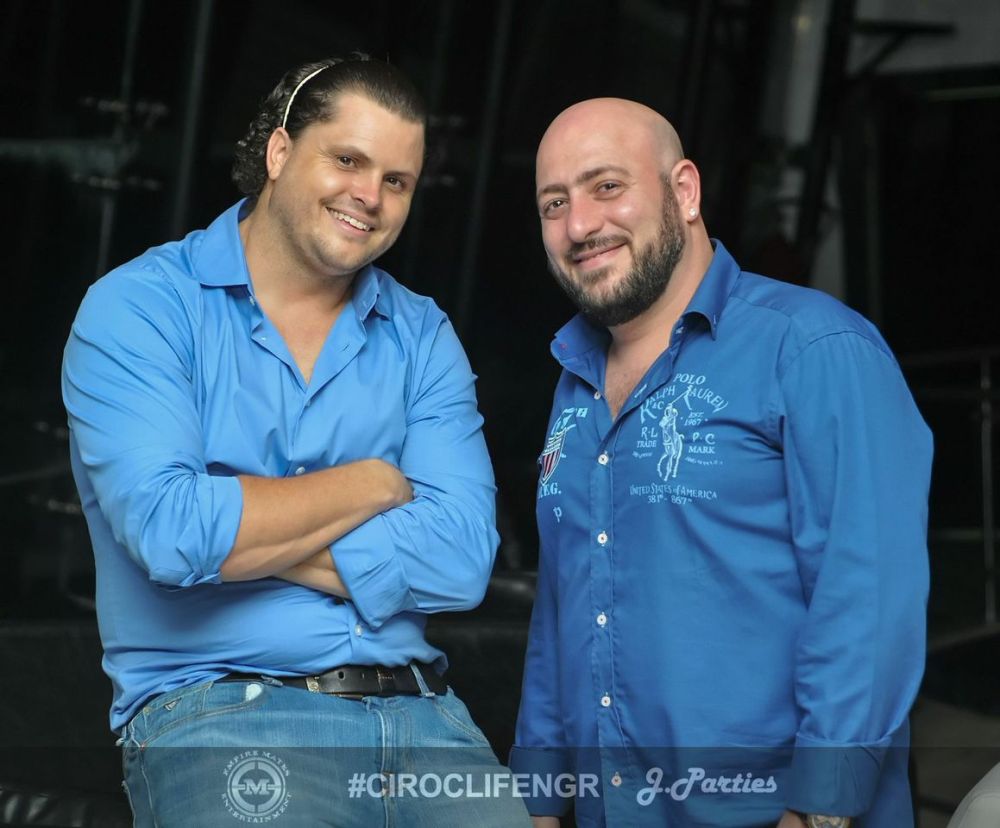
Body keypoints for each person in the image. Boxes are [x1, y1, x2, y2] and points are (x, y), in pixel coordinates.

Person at [62, 55, 529, 827]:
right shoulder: (142, 309)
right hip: (225, 714)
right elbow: (171, 532)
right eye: (347, 160)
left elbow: (461, 560)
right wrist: (373, 483)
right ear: (279, 152)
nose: (370, 196)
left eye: (397, 180)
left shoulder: (421, 335)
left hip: (428, 721)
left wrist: (243, 538)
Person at [510, 97, 932, 828]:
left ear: (684, 191)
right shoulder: (574, 381)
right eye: (555, 203)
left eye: (607, 186)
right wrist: (537, 802)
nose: (579, 225)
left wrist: (817, 812)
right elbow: (561, 612)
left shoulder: (813, 348)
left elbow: (867, 602)